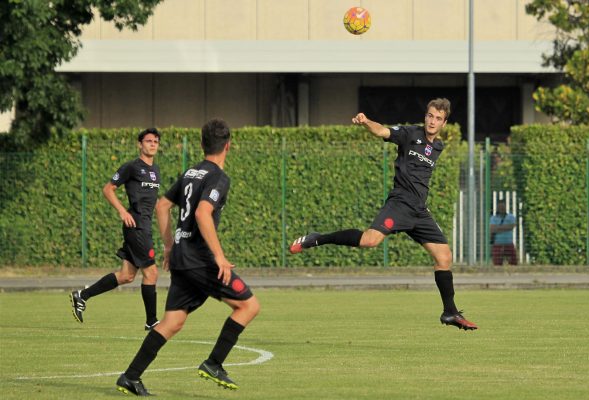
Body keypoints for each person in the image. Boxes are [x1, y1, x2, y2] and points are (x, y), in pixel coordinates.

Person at [289, 98, 478, 331]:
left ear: (444, 123)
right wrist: (366, 121)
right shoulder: (410, 134)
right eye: (430, 116)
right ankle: (318, 238)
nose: (432, 121)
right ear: (425, 116)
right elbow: (382, 131)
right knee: (370, 241)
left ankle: (449, 312)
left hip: (419, 210)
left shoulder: (437, 147)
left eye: (438, 118)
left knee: (444, 257)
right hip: (399, 203)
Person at [115, 119, 260, 396]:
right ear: (228, 145)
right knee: (248, 306)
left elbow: (162, 206)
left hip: (182, 256)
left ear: (202, 144)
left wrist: (170, 247)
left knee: (173, 322)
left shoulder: (191, 172)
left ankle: (130, 377)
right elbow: (202, 213)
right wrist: (219, 256)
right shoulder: (218, 176)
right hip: (199, 259)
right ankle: (214, 363)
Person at [70, 128, 161, 331]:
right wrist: (122, 211)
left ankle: (81, 296)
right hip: (135, 226)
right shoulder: (131, 167)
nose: (153, 144)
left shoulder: (156, 171)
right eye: (148, 141)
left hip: (144, 227)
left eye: (156, 141)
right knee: (152, 273)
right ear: (140, 144)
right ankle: (152, 321)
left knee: (127, 276)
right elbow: (108, 188)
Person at [490, 199, 517, 265]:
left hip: (508, 243)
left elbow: (511, 226)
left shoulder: (511, 217)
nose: (501, 208)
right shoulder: (493, 218)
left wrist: (498, 228)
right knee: (497, 263)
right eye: (500, 207)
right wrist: (506, 227)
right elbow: (492, 229)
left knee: (514, 262)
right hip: (497, 244)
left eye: (503, 206)